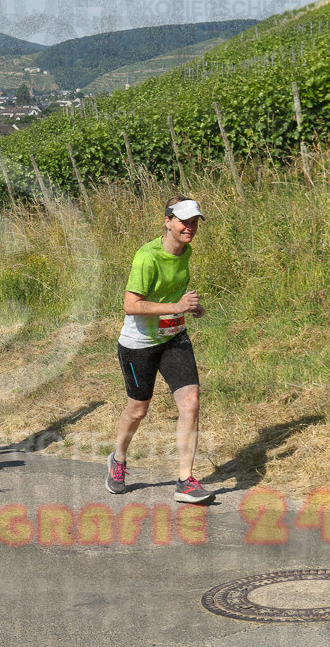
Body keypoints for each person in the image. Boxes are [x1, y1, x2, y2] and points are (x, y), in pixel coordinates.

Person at [106, 196, 213, 504]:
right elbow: (130, 305)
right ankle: (119, 459)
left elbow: (171, 293)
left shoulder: (186, 251)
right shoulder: (147, 257)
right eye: (183, 222)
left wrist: (189, 308)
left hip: (173, 336)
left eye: (194, 222)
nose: (190, 228)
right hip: (139, 344)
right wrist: (176, 306)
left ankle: (185, 481)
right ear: (167, 221)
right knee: (138, 410)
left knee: (190, 402)